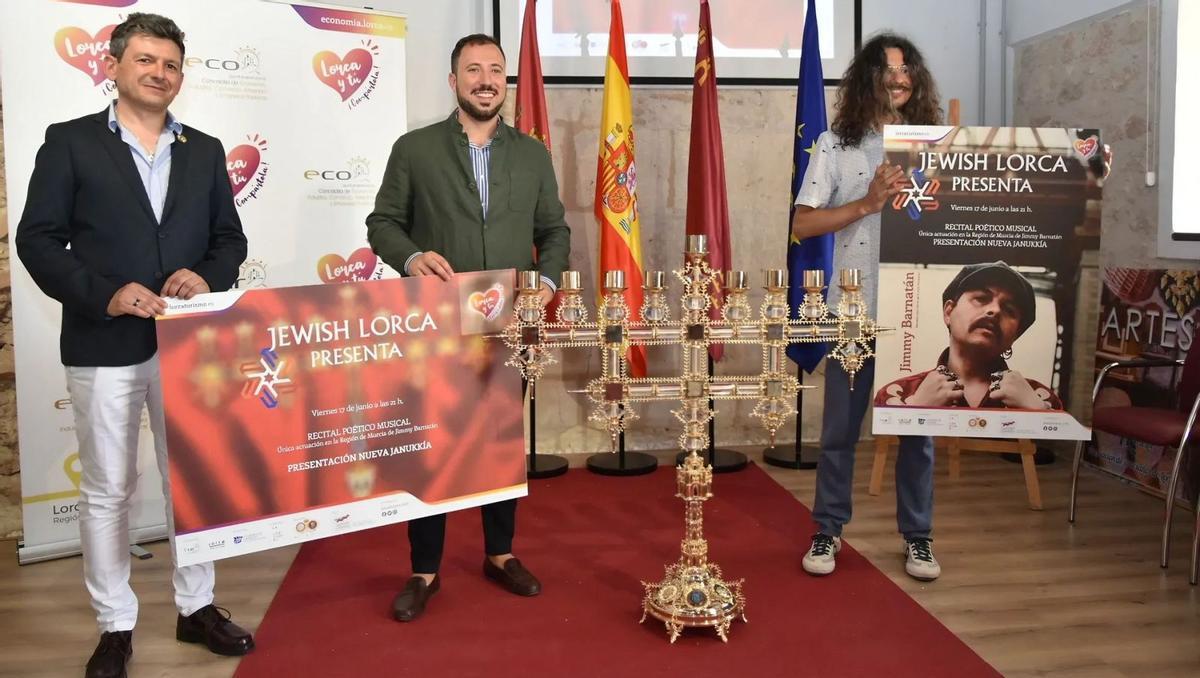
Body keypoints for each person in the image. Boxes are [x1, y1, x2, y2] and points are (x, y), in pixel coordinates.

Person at [14, 13, 254, 678]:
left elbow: (229, 241)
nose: (159, 73)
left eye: (170, 64)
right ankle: (115, 625)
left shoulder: (205, 150)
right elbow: (37, 240)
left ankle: (196, 607)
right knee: (107, 490)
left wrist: (206, 275)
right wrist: (106, 293)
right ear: (114, 66)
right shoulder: (69, 143)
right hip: (103, 339)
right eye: (146, 60)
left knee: (195, 482)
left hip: (188, 346)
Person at [366, 33, 570, 622]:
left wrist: (546, 282)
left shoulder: (531, 154)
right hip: (434, 322)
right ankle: (424, 570)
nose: (486, 80)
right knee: (431, 444)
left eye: (496, 70)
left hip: (509, 321)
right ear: (454, 81)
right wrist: (410, 257)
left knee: (500, 442)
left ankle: (500, 554)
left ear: (505, 82)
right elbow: (382, 222)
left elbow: (554, 231)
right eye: (474, 70)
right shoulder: (415, 149)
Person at [790, 33, 943, 582]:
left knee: (918, 432)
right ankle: (828, 528)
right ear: (867, 80)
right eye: (887, 70)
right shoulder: (836, 144)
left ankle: (918, 536)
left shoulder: (938, 147)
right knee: (839, 432)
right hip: (852, 313)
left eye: (906, 70)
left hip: (916, 313)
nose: (898, 79)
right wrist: (867, 203)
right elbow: (803, 223)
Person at [875, 261, 1063, 410]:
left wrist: (1039, 415)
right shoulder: (897, 395)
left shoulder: (1042, 400)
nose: (995, 310)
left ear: (1015, 335)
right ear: (948, 312)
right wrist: (916, 409)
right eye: (981, 298)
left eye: (1009, 309)